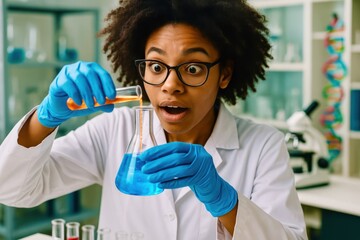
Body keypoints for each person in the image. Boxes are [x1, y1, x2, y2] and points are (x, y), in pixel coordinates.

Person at [0, 0, 308, 239]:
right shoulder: (115, 128)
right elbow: (12, 190)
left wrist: (224, 200)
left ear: (224, 74)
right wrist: (45, 118)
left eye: (193, 68)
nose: (170, 85)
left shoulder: (263, 146)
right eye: (157, 66)